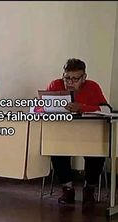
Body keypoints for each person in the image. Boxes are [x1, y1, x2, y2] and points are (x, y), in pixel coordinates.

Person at [44, 58, 107, 204]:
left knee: (97, 153)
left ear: (84, 77)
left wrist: (82, 107)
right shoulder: (55, 85)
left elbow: (105, 109)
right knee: (56, 149)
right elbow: (40, 107)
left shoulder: (93, 87)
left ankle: (89, 188)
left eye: (75, 79)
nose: (70, 82)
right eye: (67, 78)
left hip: (89, 133)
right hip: (62, 132)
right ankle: (67, 189)